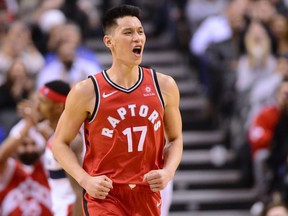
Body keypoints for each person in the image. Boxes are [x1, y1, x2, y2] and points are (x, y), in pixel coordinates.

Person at [52, 4, 183, 216]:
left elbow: (175, 139)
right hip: (105, 195)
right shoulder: (87, 91)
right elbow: (59, 143)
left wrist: (168, 171)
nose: (137, 38)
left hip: (146, 193)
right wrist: (85, 179)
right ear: (109, 42)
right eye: (128, 32)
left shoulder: (164, 86)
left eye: (140, 31)